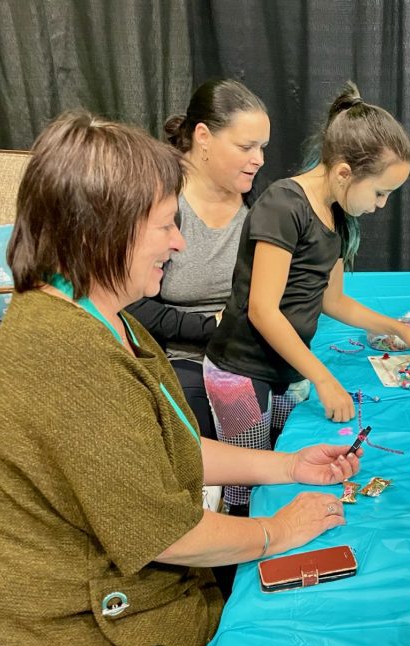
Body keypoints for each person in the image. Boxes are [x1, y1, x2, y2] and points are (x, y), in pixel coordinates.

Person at [0, 111, 361, 646]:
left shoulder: (104, 317)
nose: (179, 243)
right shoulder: (68, 358)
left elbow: (175, 446)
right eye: (164, 226)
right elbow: (164, 534)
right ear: (96, 233)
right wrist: (272, 533)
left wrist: (287, 464)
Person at [203, 81, 410, 515]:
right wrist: (325, 379)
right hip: (240, 372)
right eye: (381, 193)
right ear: (345, 172)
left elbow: (334, 301)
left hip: (286, 370)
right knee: (247, 486)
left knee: (286, 466)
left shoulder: (338, 215)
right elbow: (262, 310)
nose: (383, 206)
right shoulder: (283, 205)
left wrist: (397, 328)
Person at [126, 78, 271, 438]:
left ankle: (246, 491)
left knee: (269, 410)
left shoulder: (260, 204)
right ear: (203, 136)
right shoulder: (160, 201)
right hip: (182, 356)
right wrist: (212, 327)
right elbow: (130, 303)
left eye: (262, 147)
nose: (259, 159)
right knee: (203, 421)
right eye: (246, 146)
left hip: (246, 350)